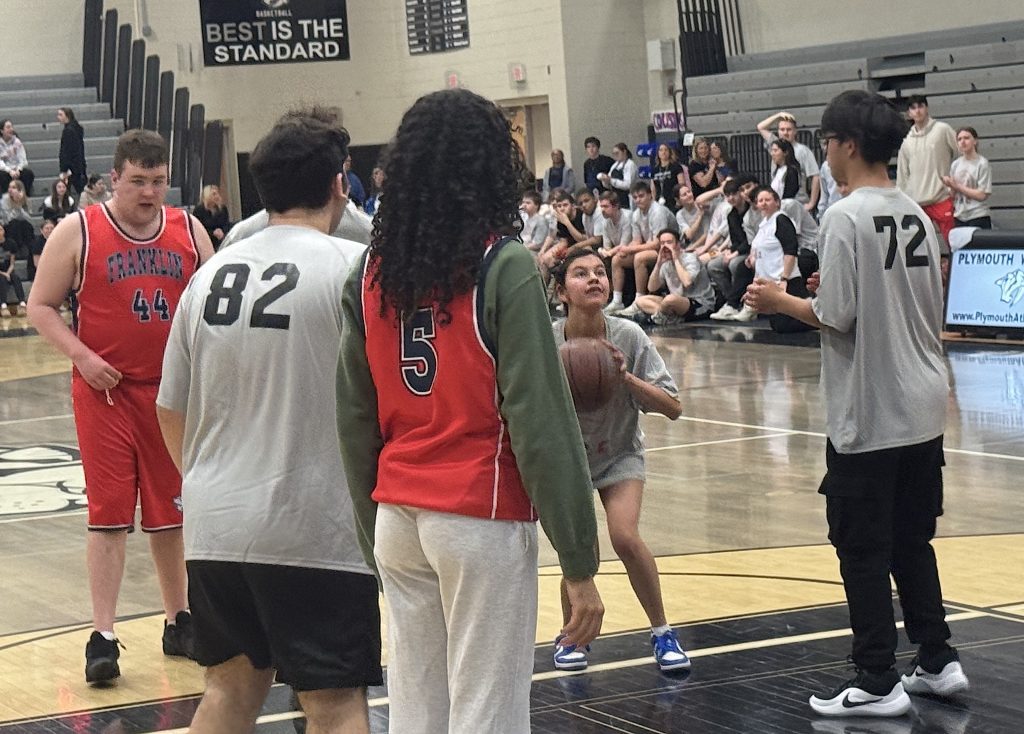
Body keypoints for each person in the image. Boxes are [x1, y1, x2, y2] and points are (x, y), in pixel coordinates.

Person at [336, 88, 603, 734]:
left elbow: (353, 420)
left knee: (418, 713)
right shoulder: (503, 266)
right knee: (488, 714)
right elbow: (542, 424)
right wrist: (579, 560)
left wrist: (373, 535)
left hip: (398, 514)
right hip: (477, 515)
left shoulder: (368, 272)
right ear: (488, 167)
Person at [745, 89, 969, 718]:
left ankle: (876, 679)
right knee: (911, 541)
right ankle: (936, 658)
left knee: (861, 548)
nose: (825, 152)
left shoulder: (845, 215)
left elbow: (834, 315)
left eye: (826, 141)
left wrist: (778, 300)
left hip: (872, 408)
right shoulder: (918, 214)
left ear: (846, 144)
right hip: (923, 404)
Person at [156, 107, 380, 734]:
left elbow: (169, 409)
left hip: (214, 528)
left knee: (229, 691)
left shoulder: (206, 279)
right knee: (334, 705)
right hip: (316, 531)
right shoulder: (351, 271)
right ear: (341, 183)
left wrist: (208, 482)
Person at [27, 129, 215, 685]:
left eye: (158, 181)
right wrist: (82, 356)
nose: (150, 192)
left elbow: (213, 302)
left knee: (171, 514)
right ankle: (103, 635)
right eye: (138, 181)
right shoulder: (79, 229)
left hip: (170, 395)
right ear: (115, 178)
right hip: (105, 393)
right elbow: (40, 306)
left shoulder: (189, 229)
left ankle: (178, 620)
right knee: (109, 516)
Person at [550, 248, 689, 670]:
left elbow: (673, 407)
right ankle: (573, 635)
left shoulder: (628, 335)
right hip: (567, 459)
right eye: (579, 274)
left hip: (619, 454)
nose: (594, 279)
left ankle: (663, 633)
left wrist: (623, 376)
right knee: (579, 551)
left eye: (599, 272)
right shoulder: (547, 339)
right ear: (561, 291)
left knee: (625, 536)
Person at [605, 181, 677, 316]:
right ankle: (617, 300)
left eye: (641, 196)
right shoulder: (636, 214)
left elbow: (657, 243)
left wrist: (631, 250)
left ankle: (638, 300)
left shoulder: (658, 211)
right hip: (651, 247)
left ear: (650, 195)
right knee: (617, 259)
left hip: (667, 249)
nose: (638, 200)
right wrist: (625, 249)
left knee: (639, 258)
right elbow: (637, 240)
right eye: (635, 197)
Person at [897, 95, 958, 242]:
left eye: (920, 106)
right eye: (913, 108)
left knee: (954, 244)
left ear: (927, 108)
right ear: (909, 113)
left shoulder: (942, 130)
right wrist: (903, 202)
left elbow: (962, 153)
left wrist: (955, 186)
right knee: (919, 249)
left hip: (942, 198)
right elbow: (902, 175)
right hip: (917, 203)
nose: (917, 111)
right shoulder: (906, 142)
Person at [630, 228, 715, 326]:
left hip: (700, 303)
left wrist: (675, 259)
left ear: (678, 244)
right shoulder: (665, 263)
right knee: (641, 300)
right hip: (676, 303)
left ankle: (656, 318)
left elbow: (687, 282)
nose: (665, 246)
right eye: (662, 243)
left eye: (669, 242)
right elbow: (651, 288)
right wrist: (658, 264)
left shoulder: (691, 258)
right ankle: (670, 318)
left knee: (669, 300)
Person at [756, 111, 821, 211]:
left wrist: (812, 203)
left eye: (789, 129)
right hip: (778, 202)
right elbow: (761, 127)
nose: (785, 132)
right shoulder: (775, 144)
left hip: (798, 201)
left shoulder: (803, 150)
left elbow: (815, 176)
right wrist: (778, 115)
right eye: (782, 129)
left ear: (795, 131)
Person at [943, 126, 992, 229]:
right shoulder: (955, 164)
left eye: (966, 138)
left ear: (975, 141)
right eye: (959, 139)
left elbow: (982, 195)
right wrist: (950, 185)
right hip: (959, 216)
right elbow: (952, 194)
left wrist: (957, 186)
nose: (963, 142)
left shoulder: (982, 163)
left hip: (978, 216)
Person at [597, 142, 637, 210]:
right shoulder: (614, 165)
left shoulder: (630, 165)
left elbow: (627, 185)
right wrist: (604, 180)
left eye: (617, 153)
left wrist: (611, 180)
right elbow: (608, 185)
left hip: (626, 199)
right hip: (615, 199)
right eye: (614, 154)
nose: (615, 155)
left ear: (624, 152)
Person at [0, 119, 35, 196]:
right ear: (2, 131)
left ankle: (24, 197)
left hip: (17, 169)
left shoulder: (17, 142)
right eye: (8, 127)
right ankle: (7, 197)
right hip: (5, 169)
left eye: (11, 127)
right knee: (2, 176)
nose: (11, 129)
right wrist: (9, 171)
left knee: (28, 174)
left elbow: (23, 159)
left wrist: (18, 169)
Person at [192, 184, 232, 249]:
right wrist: (212, 233)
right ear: (207, 196)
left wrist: (222, 231)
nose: (217, 196)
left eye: (217, 194)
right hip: (206, 240)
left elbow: (226, 224)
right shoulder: (199, 210)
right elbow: (197, 228)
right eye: (214, 194)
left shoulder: (223, 208)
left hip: (221, 239)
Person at [0, 179, 36, 252]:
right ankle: (17, 249)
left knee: (26, 225)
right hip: (7, 225)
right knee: (15, 223)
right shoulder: (4, 200)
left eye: (13, 188)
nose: (10, 190)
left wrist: (19, 204)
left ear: (20, 190)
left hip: (23, 226)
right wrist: (17, 207)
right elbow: (7, 219)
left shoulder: (27, 201)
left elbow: (30, 220)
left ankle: (29, 250)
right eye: (9, 187)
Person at [0, 223, 27, 317]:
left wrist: (8, 273)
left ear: (4, 231)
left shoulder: (11, 243)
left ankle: (22, 303)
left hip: (8, 270)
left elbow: (12, 263)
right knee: (2, 280)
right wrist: (4, 274)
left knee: (16, 278)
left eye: (0, 229)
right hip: (0, 273)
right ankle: (3, 306)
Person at [58, 107, 87, 195]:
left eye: (60, 115)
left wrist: (64, 168)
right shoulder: (76, 128)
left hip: (71, 167)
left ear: (67, 116)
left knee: (67, 192)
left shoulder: (68, 131)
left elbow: (66, 151)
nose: (58, 117)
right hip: (79, 165)